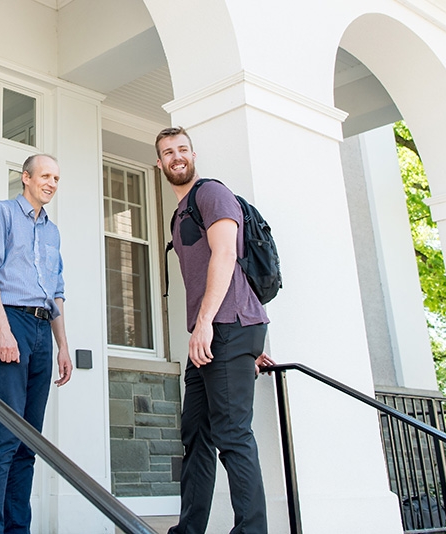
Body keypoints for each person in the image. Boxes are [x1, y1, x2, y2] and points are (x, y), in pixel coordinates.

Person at [156, 126, 276, 534]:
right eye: (168, 152)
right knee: (197, 436)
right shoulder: (180, 212)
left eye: (183, 149)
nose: (177, 156)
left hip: (223, 329)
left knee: (232, 435)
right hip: (213, 336)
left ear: (193, 155)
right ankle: (188, 531)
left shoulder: (211, 194)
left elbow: (226, 252)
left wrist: (209, 324)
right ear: (160, 163)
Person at [0, 154, 73, 534]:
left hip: (42, 329)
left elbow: (56, 292)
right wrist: (1, 330)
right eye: (45, 175)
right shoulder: (1, 214)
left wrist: (62, 345)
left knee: (28, 440)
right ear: (25, 178)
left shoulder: (52, 232)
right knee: (4, 435)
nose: (51, 183)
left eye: (57, 178)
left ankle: (18, 530)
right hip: (9, 319)